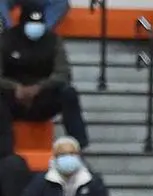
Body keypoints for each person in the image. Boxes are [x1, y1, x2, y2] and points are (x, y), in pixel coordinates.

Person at [0, 3, 90, 149]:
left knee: (68, 93)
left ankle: (78, 146)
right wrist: (15, 88)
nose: (35, 27)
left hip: (42, 98)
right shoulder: (5, 40)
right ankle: (5, 150)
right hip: (13, 99)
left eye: (39, 23)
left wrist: (39, 87)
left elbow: (63, 73)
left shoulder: (53, 40)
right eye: (31, 23)